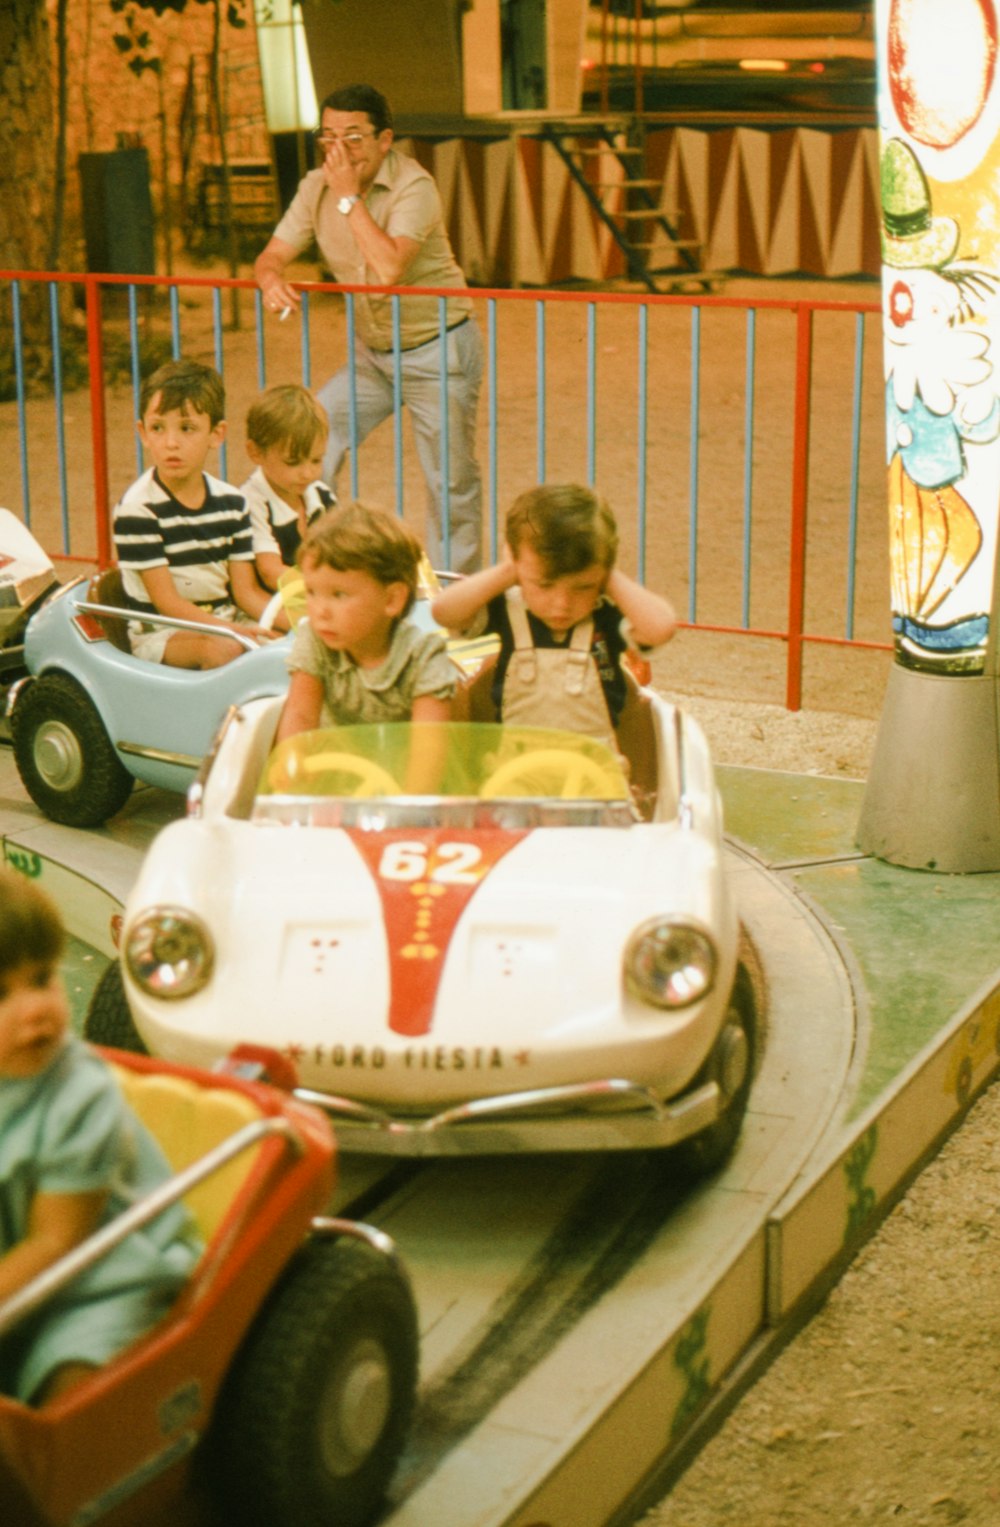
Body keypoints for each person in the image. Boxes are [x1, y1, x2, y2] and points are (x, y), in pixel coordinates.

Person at [254, 83, 484, 577]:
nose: (339, 151)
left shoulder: (413, 186)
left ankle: (453, 601)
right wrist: (270, 277)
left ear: (385, 139)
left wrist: (346, 199)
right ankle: (312, 566)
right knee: (310, 439)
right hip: (373, 355)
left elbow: (387, 269)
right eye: (329, 137)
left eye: (354, 138)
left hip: (438, 349)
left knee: (450, 482)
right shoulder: (317, 184)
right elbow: (272, 252)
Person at [0, 867, 202, 1406]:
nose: (37, 1007)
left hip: (99, 1274)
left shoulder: (79, 1097)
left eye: (42, 978)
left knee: (66, 1386)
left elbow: (56, 1241)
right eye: (1, 995)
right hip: (17, 1263)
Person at [430, 482, 677, 745]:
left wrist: (609, 573)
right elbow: (443, 612)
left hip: (594, 768)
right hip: (518, 765)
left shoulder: (604, 613)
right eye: (545, 585)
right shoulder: (511, 608)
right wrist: (508, 570)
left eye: (582, 587)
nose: (562, 603)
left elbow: (661, 628)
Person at [113, 358, 278, 669]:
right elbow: (167, 602)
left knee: (292, 646)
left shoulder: (232, 502)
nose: (171, 443)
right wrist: (236, 633)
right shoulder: (138, 509)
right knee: (224, 650)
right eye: (158, 428)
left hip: (224, 623)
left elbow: (245, 592)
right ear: (143, 432)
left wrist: (296, 623)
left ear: (216, 435)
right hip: (163, 632)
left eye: (187, 428)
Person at [275, 501, 457, 744]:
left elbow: (428, 746)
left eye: (338, 594)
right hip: (338, 773)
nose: (320, 611)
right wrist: (293, 770)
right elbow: (300, 716)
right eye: (311, 592)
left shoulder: (423, 656)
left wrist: (413, 784)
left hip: (403, 776)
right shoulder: (315, 640)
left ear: (392, 599)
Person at [242, 383, 336, 596]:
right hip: (275, 606)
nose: (307, 473)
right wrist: (326, 588)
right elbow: (270, 571)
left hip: (315, 599)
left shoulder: (321, 495)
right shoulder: (250, 503)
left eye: (316, 460)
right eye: (293, 462)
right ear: (255, 452)